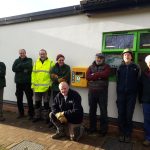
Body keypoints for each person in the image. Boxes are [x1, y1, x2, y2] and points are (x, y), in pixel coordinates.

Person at [116, 48, 140, 142]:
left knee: (129, 114)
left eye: (129, 54)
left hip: (131, 95)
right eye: (125, 54)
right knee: (121, 114)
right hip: (121, 94)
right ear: (123, 56)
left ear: (131, 56)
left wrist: (134, 91)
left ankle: (128, 134)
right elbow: (117, 81)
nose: (127, 56)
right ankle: (121, 133)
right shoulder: (120, 67)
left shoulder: (136, 66)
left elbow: (138, 80)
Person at [86, 53, 111, 136]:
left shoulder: (107, 67)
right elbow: (88, 77)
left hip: (102, 93)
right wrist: (99, 76)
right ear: (95, 58)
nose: (98, 59)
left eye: (100, 58)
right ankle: (92, 128)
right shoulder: (90, 67)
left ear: (103, 59)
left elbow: (106, 74)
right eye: (97, 58)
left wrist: (94, 75)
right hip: (92, 92)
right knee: (92, 111)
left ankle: (103, 130)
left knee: (103, 111)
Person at [31, 49, 55, 123]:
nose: (42, 55)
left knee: (46, 103)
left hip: (46, 87)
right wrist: (32, 85)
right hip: (37, 87)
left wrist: (50, 84)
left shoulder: (51, 63)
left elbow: (53, 75)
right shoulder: (36, 62)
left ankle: (46, 118)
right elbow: (33, 74)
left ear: (46, 54)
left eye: (43, 54)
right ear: (39, 55)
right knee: (37, 102)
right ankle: (37, 116)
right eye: (41, 54)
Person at [12, 49, 34, 119]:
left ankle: (31, 114)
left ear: (25, 53)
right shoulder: (16, 60)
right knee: (19, 99)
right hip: (18, 83)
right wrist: (23, 68)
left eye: (23, 53)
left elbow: (30, 67)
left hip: (27, 83)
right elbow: (13, 69)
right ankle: (21, 113)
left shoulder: (29, 60)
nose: (22, 54)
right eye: (20, 53)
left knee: (29, 98)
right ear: (19, 53)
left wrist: (19, 66)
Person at [139, 55, 150, 147]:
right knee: (147, 120)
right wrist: (140, 99)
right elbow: (140, 87)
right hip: (146, 100)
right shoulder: (144, 73)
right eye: (149, 62)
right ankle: (148, 138)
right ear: (147, 63)